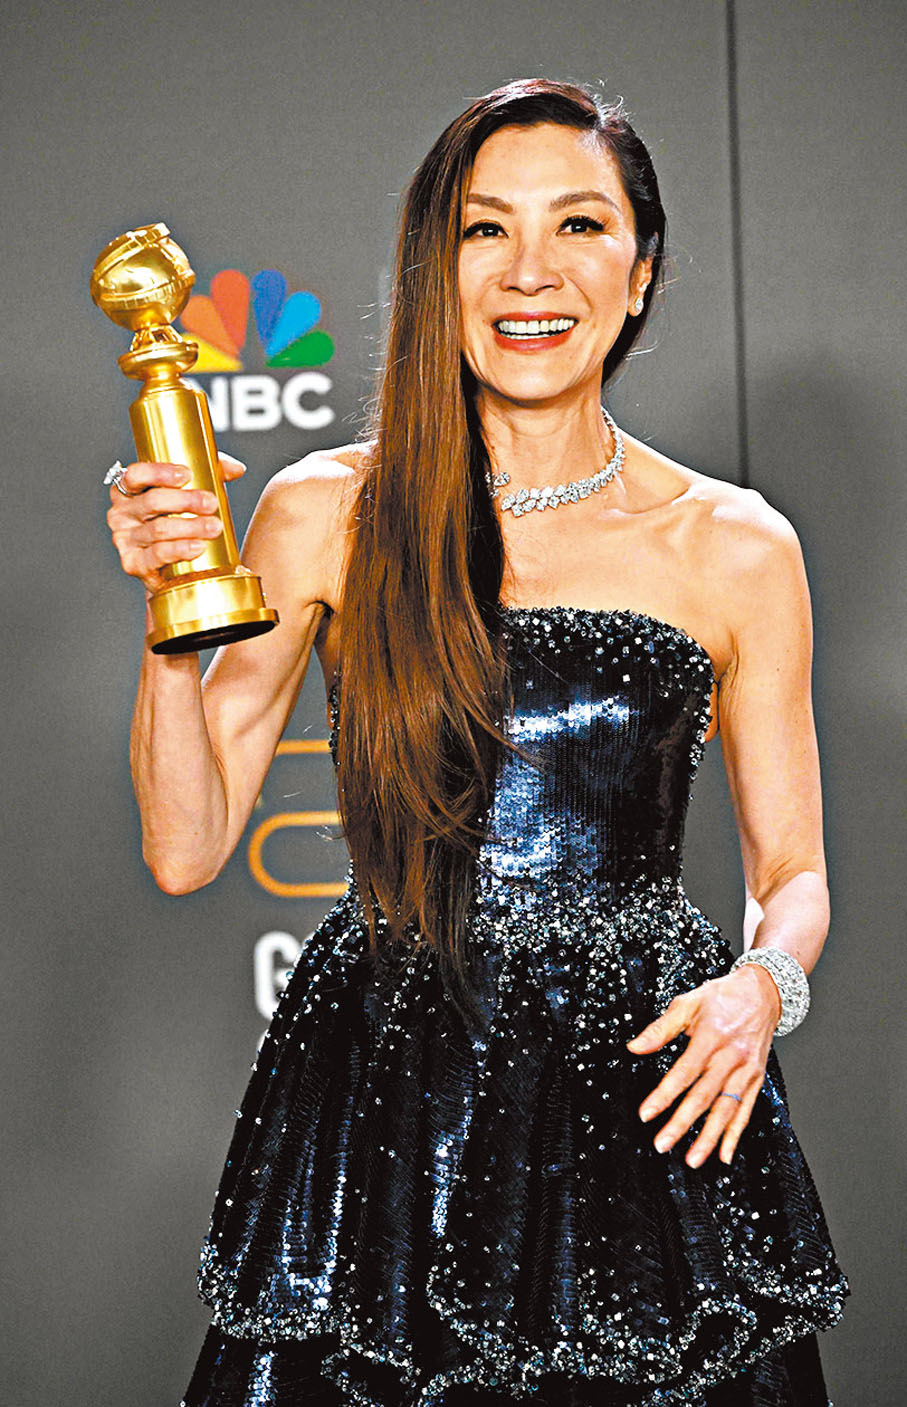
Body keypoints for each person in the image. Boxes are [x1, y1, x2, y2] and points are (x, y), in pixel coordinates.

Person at [105, 79, 850, 1407]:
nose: (529, 273)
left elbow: (792, 873)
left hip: (646, 1091)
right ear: (433, 267)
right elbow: (186, 844)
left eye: (579, 225)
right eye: (484, 229)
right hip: (392, 1095)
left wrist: (761, 989)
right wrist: (173, 620)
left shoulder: (736, 545)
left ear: (641, 271)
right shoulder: (328, 510)